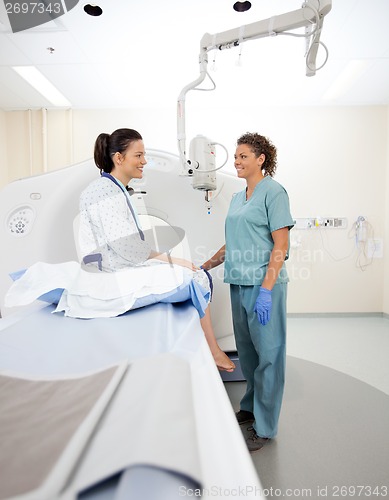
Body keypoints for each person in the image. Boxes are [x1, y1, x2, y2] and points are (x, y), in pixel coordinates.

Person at [79, 127, 235, 373]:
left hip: (122, 267)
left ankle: (207, 348)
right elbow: (127, 248)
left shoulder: (114, 190)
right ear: (118, 158)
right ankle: (212, 350)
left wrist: (170, 260)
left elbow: (129, 246)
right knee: (195, 277)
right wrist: (173, 261)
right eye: (138, 155)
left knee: (190, 270)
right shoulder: (104, 193)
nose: (144, 161)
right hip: (115, 276)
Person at [202, 132, 294, 451]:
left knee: (269, 357)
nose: (237, 161)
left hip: (263, 285)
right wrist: (206, 265)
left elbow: (280, 246)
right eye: (237, 156)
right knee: (250, 355)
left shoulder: (274, 192)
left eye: (243, 156)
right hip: (239, 283)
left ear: (260, 159)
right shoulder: (239, 197)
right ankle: (251, 407)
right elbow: (235, 242)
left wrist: (267, 290)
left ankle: (266, 427)